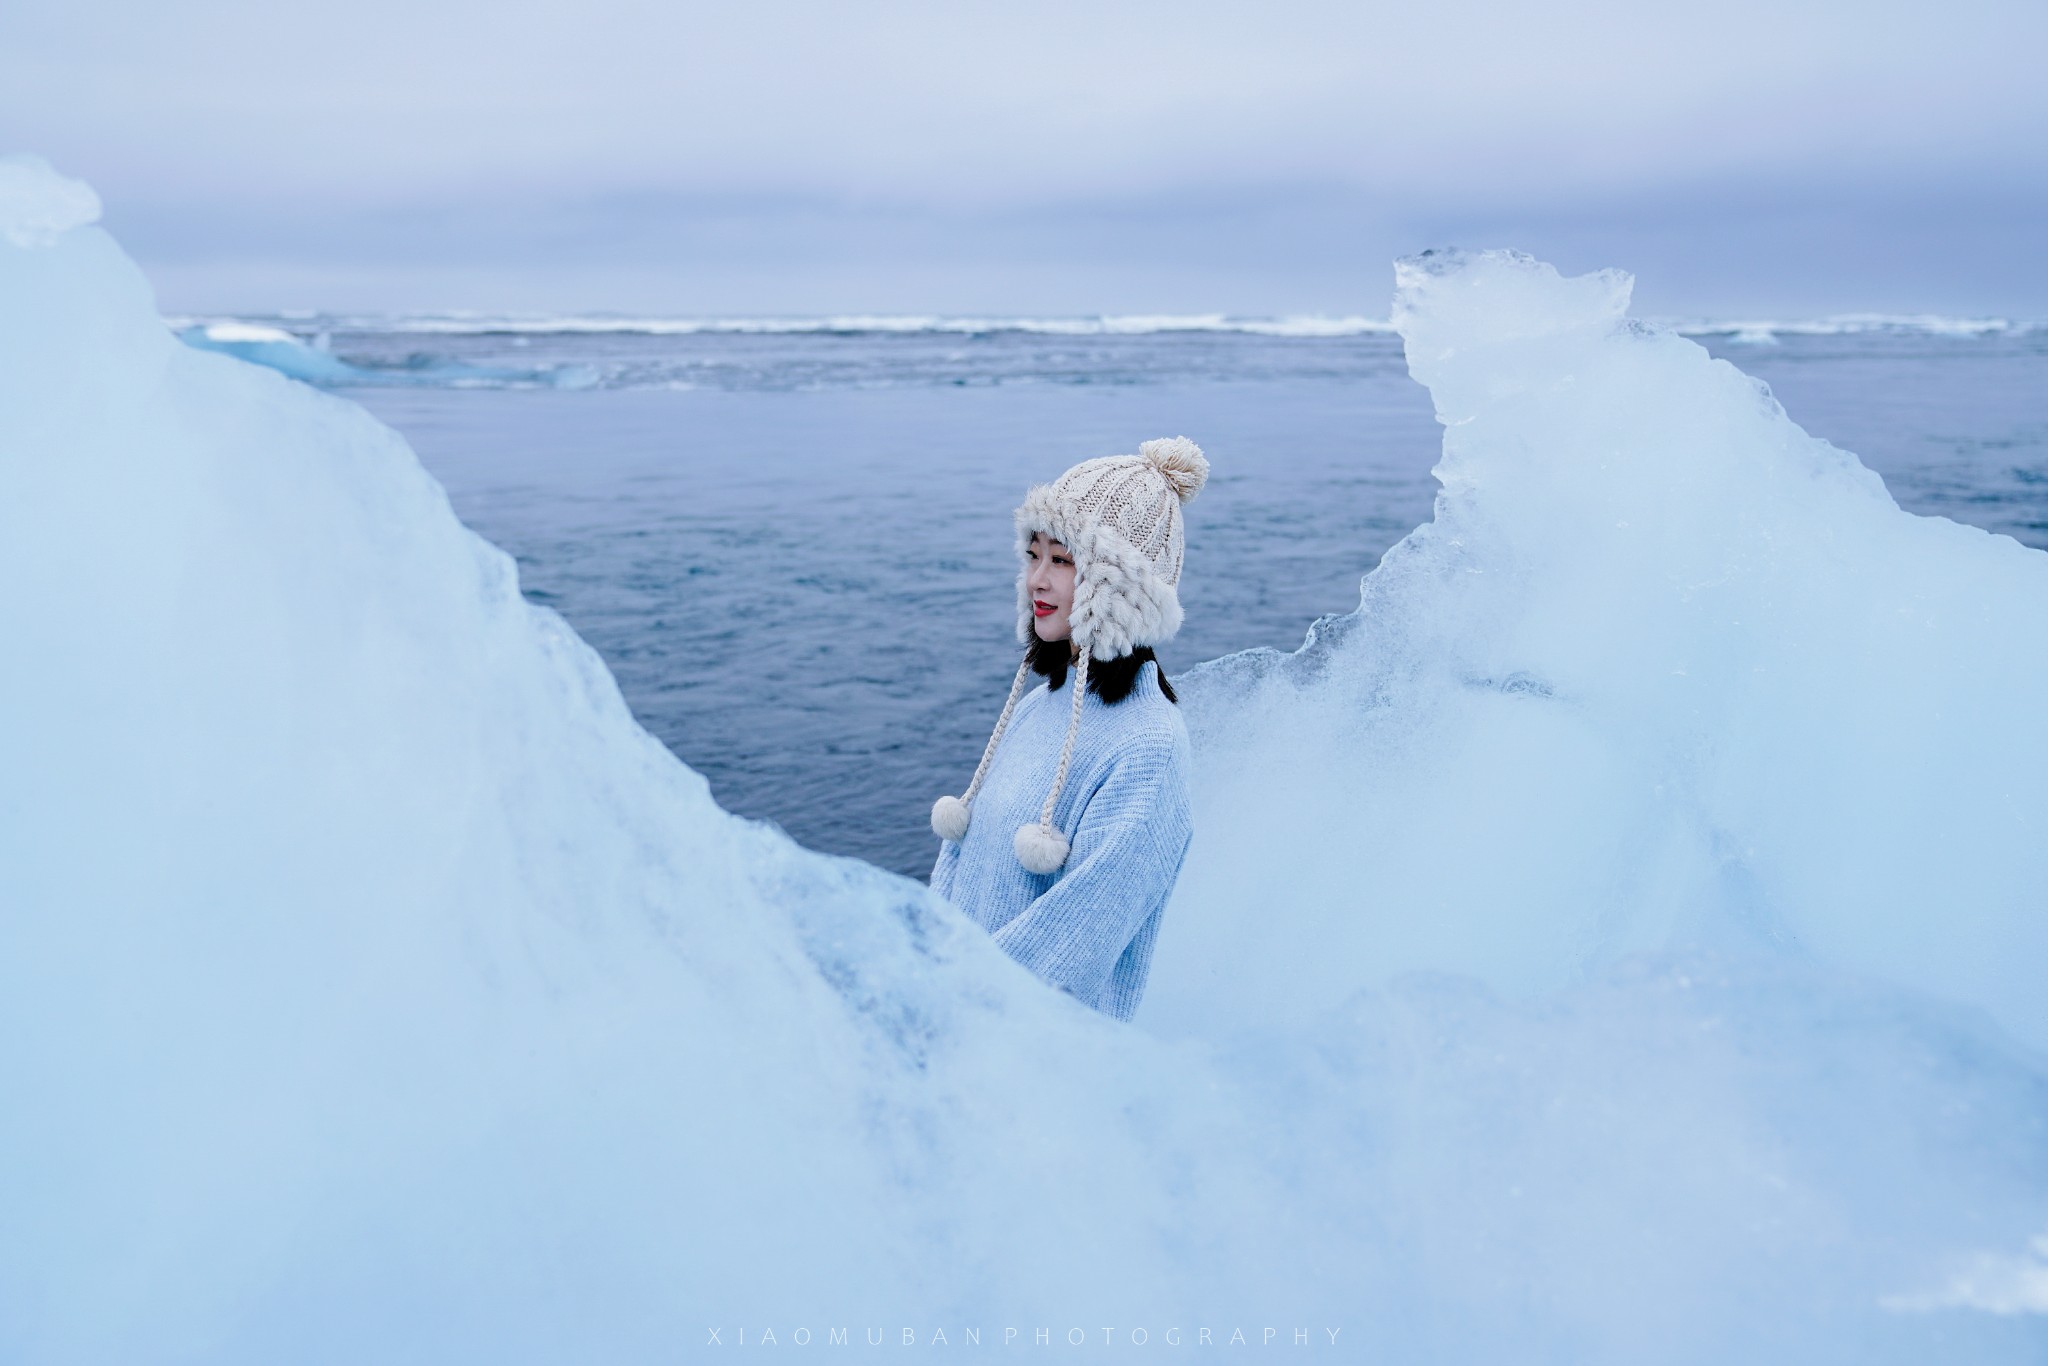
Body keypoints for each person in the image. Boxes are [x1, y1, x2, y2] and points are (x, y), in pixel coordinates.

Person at [929, 437, 1206, 1021]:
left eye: (1062, 560)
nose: (1036, 579)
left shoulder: (1148, 747)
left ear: (1120, 586)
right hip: (951, 1037)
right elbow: (955, 871)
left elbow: (1072, 946)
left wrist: (948, 1013)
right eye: (1033, 555)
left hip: (1029, 1068)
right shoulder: (1039, 708)